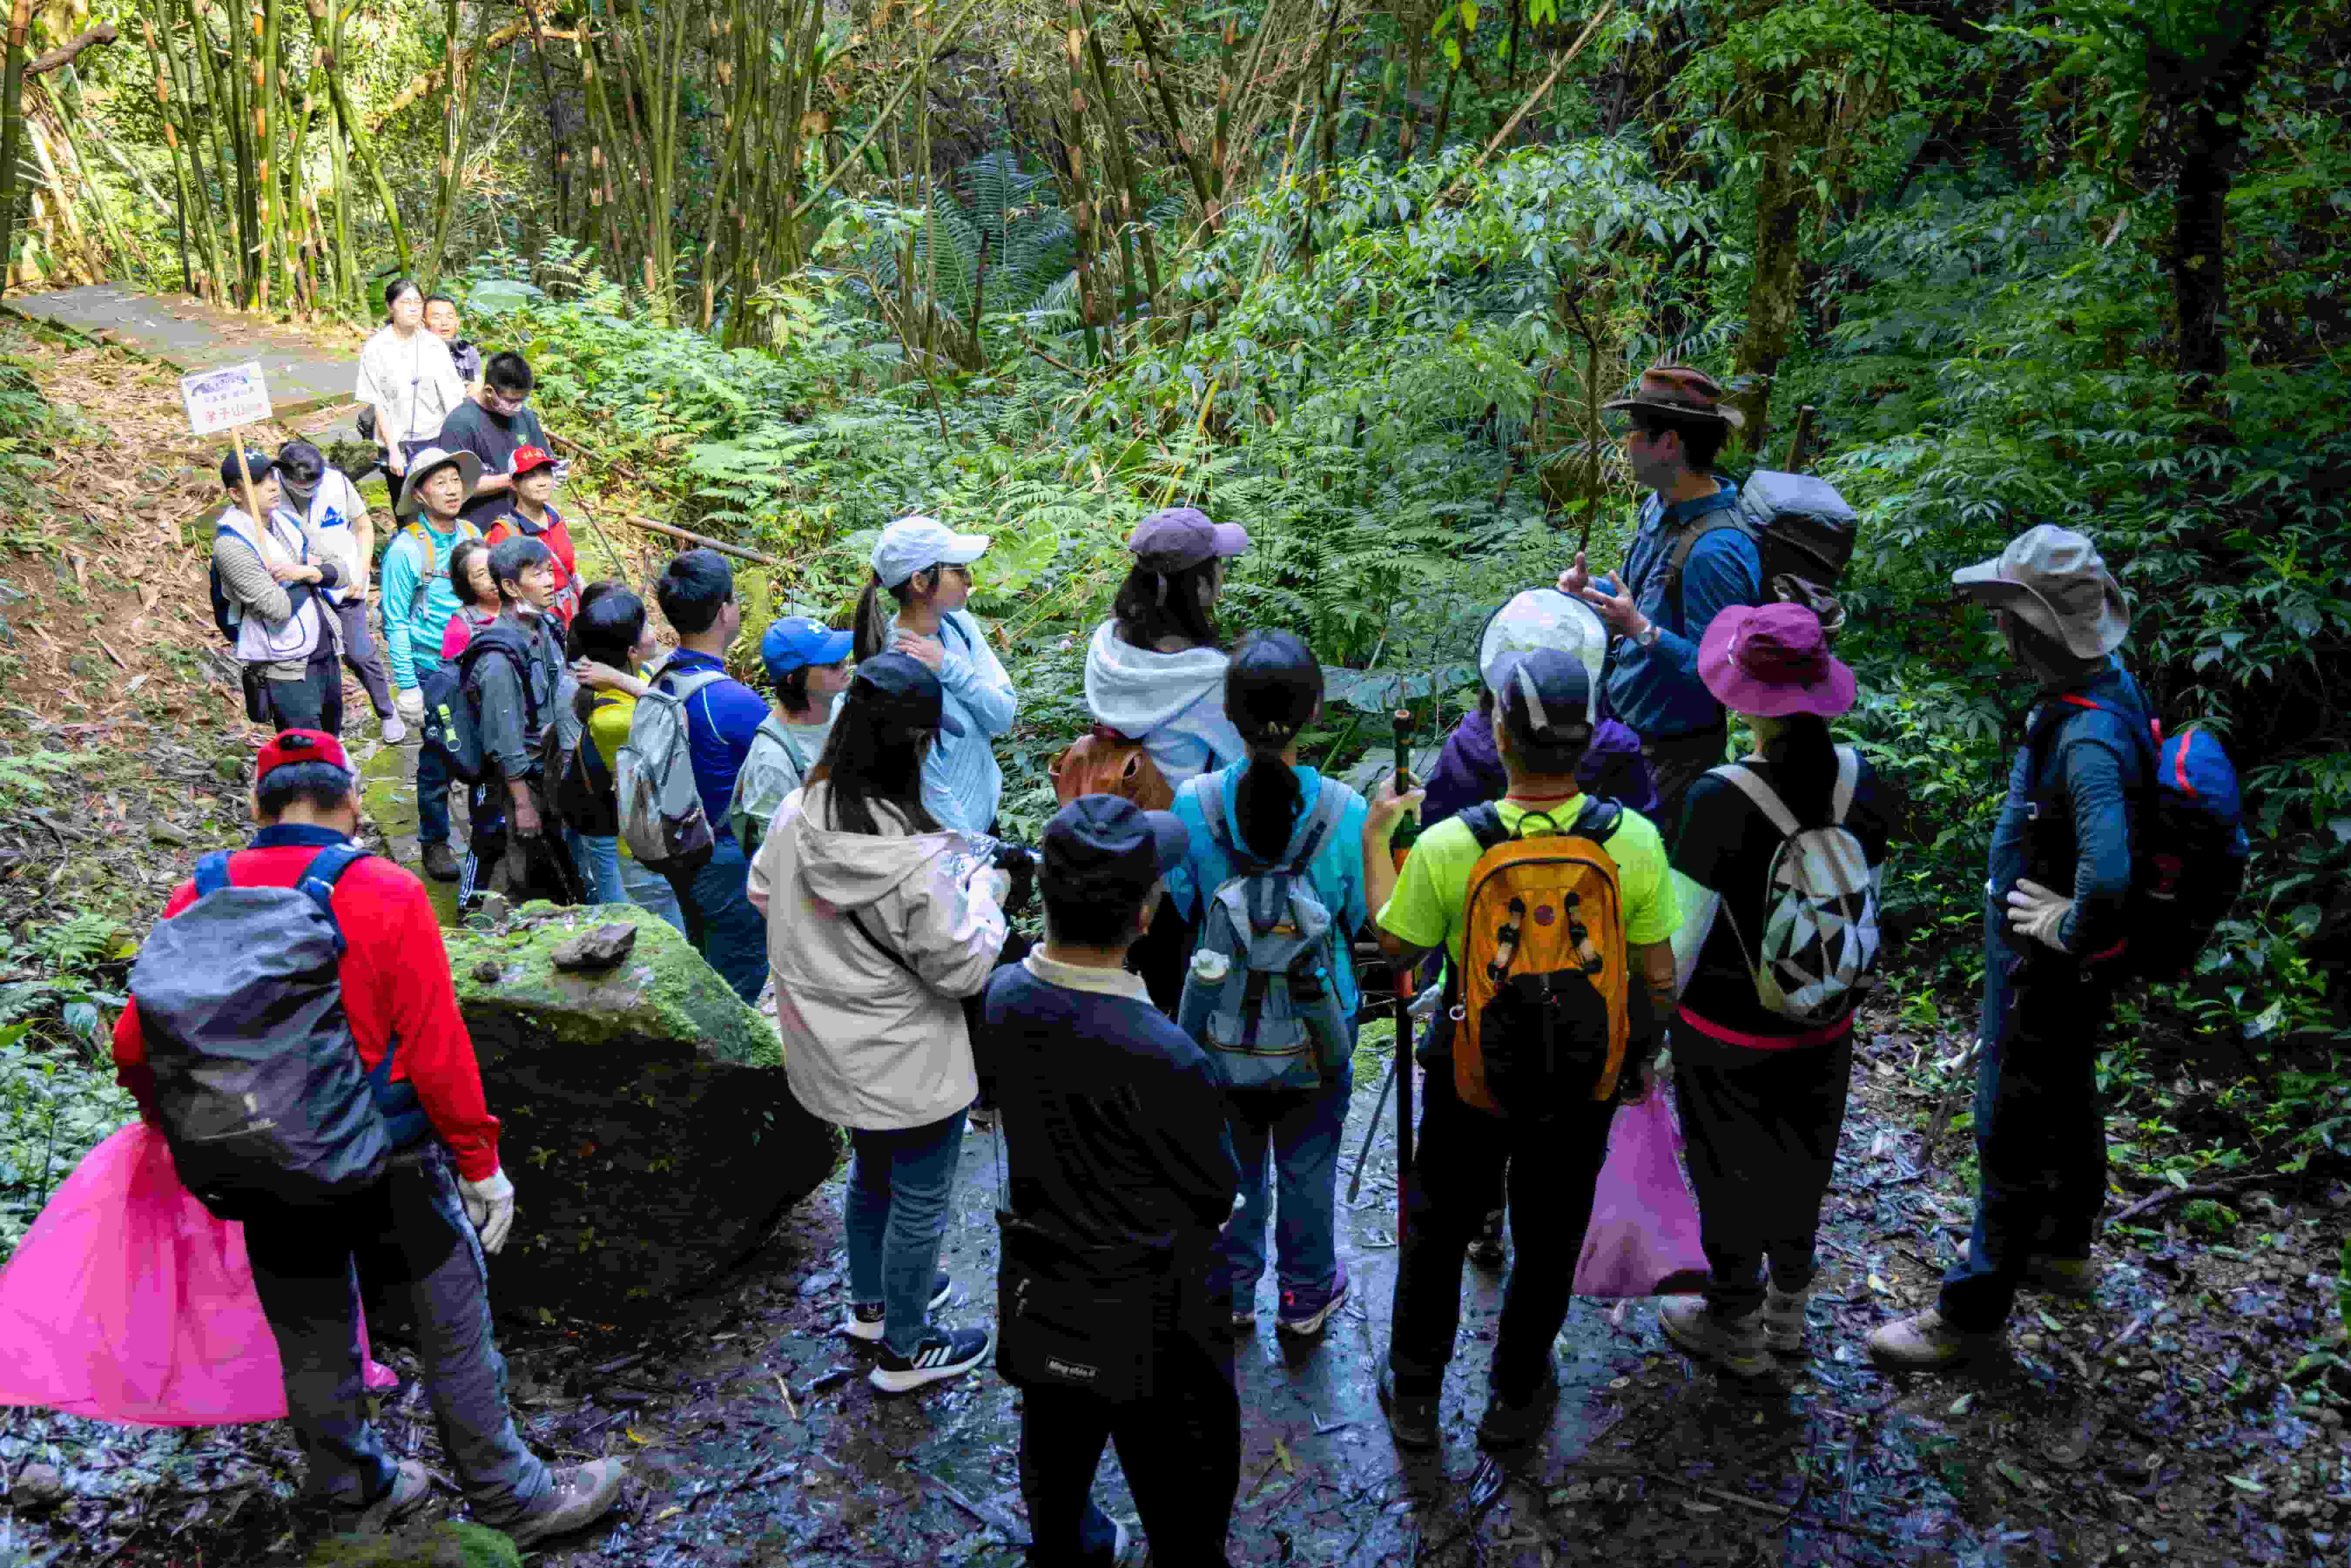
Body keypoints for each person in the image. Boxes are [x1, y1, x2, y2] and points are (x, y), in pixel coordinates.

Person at [108, 730, 627, 1544]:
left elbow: (136, 1043)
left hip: (261, 1152)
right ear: (352, 801)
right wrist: (480, 1161)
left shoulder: (195, 894)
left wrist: (176, 1127)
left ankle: (351, 1487)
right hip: (388, 1153)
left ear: (257, 805)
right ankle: (511, 1496)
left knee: (311, 1327)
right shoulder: (384, 889)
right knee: (450, 1315)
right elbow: (436, 1046)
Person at [1376, 649, 1681, 1451]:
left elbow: (1397, 952)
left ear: (1499, 735)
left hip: (1468, 1075)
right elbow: (1657, 973)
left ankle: (1414, 1393)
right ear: (1590, 742)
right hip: (1583, 1080)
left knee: (1439, 1230)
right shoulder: (1637, 841)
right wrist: (1636, 1056)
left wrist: (1381, 844)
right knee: (1549, 1235)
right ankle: (1514, 1395)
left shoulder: (1450, 844)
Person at [1869, 527, 2143, 1369]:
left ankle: (1972, 1313)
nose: (2000, 630)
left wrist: (2065, 921)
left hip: (2041, 970)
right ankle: (2064, 1245)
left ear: (2036, 627)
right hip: (2072, 974)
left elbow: (2110, 875)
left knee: (2009, 1116)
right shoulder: (2105, 689)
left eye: (2008, 615)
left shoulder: (2088, 738)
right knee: (2065, 1087)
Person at [985, 795, 1245, 1568]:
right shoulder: (1165, 1054)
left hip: (1047, 1284)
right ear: (1145, 916)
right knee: (1187, 1499)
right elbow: (1214, 1190)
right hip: (1161, 1307)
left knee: (1057, 1472)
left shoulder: (1004, 996)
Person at [750, 653, 1010, 1392]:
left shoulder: (799, 814)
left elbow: (763, 892)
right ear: (918, 745)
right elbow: (962, 968)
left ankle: (872, 1302)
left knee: (872, 1173)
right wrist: (988, 893)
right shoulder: (915, 858)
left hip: (828, 1040)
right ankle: (908, 1345)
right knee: (922, 1196)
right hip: (909, 1054)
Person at [1659, 603, 1893, 1376]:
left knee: (1727, 1166)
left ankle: (1734, 1318)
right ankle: (1790, 1313)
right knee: (1805, 1159)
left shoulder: (1718, 798)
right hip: (1827, 1019)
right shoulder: (1866, 783)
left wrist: (1647, 1035)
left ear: (1741, 697)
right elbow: (1863, 911)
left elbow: (1681, 941)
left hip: (1727, 1030)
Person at [1165, 631, 1414, 1340]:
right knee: (1309, 1160)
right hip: (1319, 1025)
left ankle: (1237, 1291)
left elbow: (1187, 907)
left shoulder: (1195, 804)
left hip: (1220, 1027)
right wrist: (1380, 838)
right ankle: (1305, 1296)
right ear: (1314, 713)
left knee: (1236, 1159)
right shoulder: (1344, 809)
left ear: (1230, 712)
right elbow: (1375, 921)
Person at [1421, 588, 1658, 1272]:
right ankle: (1526, 1366)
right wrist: (1643, 1037)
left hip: (1483, 984)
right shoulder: (1616, 752)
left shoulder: (1469, 744)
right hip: (1587, 986)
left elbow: (1433, 844)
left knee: (1468, 1129)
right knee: (1558, 1180)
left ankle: (1482, 1219)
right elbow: (1647, 882)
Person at [1556, 364, 1760, 833]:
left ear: (1669, 443)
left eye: (1635, 431)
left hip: (1673, 757)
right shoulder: (1659, 505)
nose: (1627, 442)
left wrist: (1641, 631)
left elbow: (1727, 672)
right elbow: (1645, 594)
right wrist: (1588, 594)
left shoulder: (1718, 549)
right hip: (1624, 730)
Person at [1083, 506, 1253, 1011]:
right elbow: (1242, 765)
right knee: (1189, 992)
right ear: (1198, 586)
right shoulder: (1208, 677)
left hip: (1116, 828)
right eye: (1217, 566)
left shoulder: (1106, 646)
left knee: (1139, 980)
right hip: (1186, 855)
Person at [650, 549, 775, 1002]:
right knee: (738, 980)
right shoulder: (733, 702)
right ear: (725, 611)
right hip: (726, 863)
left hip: (680, 848)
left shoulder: (663, 675)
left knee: (707, 961)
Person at [853, 515, 1017, 836]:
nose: (969, 579)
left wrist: (949, 667)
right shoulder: (895, 675)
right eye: (958, 570)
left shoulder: (958, 625)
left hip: (987, 827)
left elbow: (1003, 717)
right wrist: (973, 858)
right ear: (919, 582)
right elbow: (930, 793)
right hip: (952, 847)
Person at [381, 447, 485, 883]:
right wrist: (408, 685)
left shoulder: (472, 532)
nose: (451, 489)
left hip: (477, 659)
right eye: (439, 482)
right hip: (432, 669)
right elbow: (395, 620)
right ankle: (435, 840)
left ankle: (487, 829)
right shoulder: (406, 550)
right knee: (440, 756)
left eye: (455, 480)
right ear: (420, 495)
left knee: (486, 747)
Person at [464, 537, 579, 905]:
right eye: (538, 575)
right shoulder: (498, 659)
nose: (550, 582)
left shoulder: (544, 626)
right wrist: (524, 804)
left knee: (553, 866)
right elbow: (504, 737)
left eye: (550, 572)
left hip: (549, 769)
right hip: (522, 782)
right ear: (511, 587)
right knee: (525, 868)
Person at [566, 583, 687, 929]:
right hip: (637, 846)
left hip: (644, 832)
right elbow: (676, 718)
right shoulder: (615, 718)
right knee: (660, 930)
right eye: (647, 627)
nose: (655, 632)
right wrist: (621, 679)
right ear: (632, 651)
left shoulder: (637, 677)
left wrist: (621, 677)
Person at [275, 440, 401, 744]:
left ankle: (387, 711)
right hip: (299, 594)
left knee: (360, 654)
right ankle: (327, 737)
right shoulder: (270, 495)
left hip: (344, 584)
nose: (308, 491)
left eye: (313, 485)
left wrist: (361, 571)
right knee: (317, 667)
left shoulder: (337, 484)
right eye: (300, 486)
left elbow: (363, 527)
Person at [212, 448, 344, 736]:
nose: (273, 485)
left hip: (325, 651)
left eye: (273, 476)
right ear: (236, 494)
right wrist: (313, 573)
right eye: (259, 482)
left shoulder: (290, 522)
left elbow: (342, 571)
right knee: (307, 756)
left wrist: (304, 573)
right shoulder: (232, 545)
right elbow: (277, 609)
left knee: (333, 744)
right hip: (286, 667)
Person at [730, 616, 854, 859]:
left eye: (842, 659)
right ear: (794, 679)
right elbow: (781, 855)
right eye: (831, 664)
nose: (844, 667)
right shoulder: (772, 760)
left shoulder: (840, 706)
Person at [354, 279, 465, 505]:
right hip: (397, 442)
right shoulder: (376, 349)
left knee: (439, 504)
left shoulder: (435, 345)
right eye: (406, 302)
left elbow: (453, 400)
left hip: (435, 438)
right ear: (390, 306)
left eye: (418, 302)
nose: (414, 307)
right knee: (404, 505)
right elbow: (380, 404)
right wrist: (393, 450)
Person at [436, 353, 551, 532]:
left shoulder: (526, 416)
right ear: (490, 392)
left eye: (523, 400)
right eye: (512, 401)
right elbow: (456, 486)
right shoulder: (460, 423)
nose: (518, 406)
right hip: (481, 529)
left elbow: (544, 463)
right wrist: (513, 479)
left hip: (526, 524)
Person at [482, 446, 581, 626]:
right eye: (531, 476)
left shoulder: (557, 519)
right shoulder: (505, 532)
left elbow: (572, 571)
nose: (542, 482)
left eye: (546, 474)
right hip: (535, 624)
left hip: (571, 618)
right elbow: (494, 590)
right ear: (513, 484)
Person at [438, 538, 498, 661]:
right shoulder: (459, 629)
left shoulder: (521, 608)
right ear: (466, 583)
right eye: (481, 574)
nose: (492, 578)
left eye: (493, 567)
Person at [424, 293, 484, 397]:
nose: (444, 323)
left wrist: (478, 388)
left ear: (457, 322)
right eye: (436, 317)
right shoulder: (416, 352)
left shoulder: (468, 352)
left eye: (449, 317)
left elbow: (476, 385)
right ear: (423, 323)